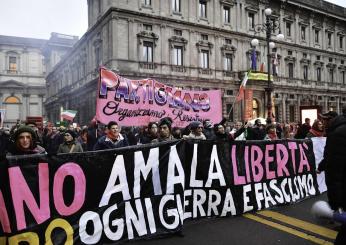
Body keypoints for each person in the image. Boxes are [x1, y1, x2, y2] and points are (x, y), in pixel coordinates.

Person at [322, 105, 346, 244]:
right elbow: (333, 164)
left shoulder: (337, 132)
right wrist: (337, 203)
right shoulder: (339, 133)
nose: (323, 122)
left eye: (325, 119)